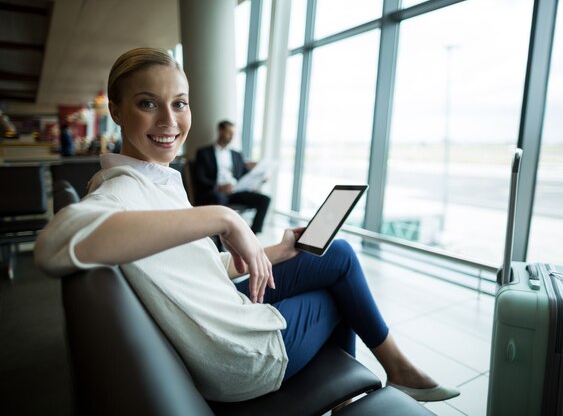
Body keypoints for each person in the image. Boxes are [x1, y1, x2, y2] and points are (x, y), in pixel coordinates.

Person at [34, 47, 460, 404]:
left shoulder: (153, 181)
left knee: (336, 252)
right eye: (148, 103)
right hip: (241, 355)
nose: (169, 120)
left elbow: (191, 269)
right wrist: (222, 216)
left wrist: (272, 251)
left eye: (179, 103)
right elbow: (53, 243)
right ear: (116, 110)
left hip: (229, 315)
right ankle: (380, 379)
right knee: (338, 295)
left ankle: (388, 374)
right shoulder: (120, 192)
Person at [194, 120, 270, 234]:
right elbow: (200, 178)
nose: (232, 136)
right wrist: (219, 187)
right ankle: (221, 239)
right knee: (219, 199)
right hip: (217, 192)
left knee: (264, 199)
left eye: (233, 133)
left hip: (236, 191)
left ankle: (253, 234)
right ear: (220, 131)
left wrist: (260, 178)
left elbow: (245, 175)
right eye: (229, 132)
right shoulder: (204, 153)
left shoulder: (236, 154)